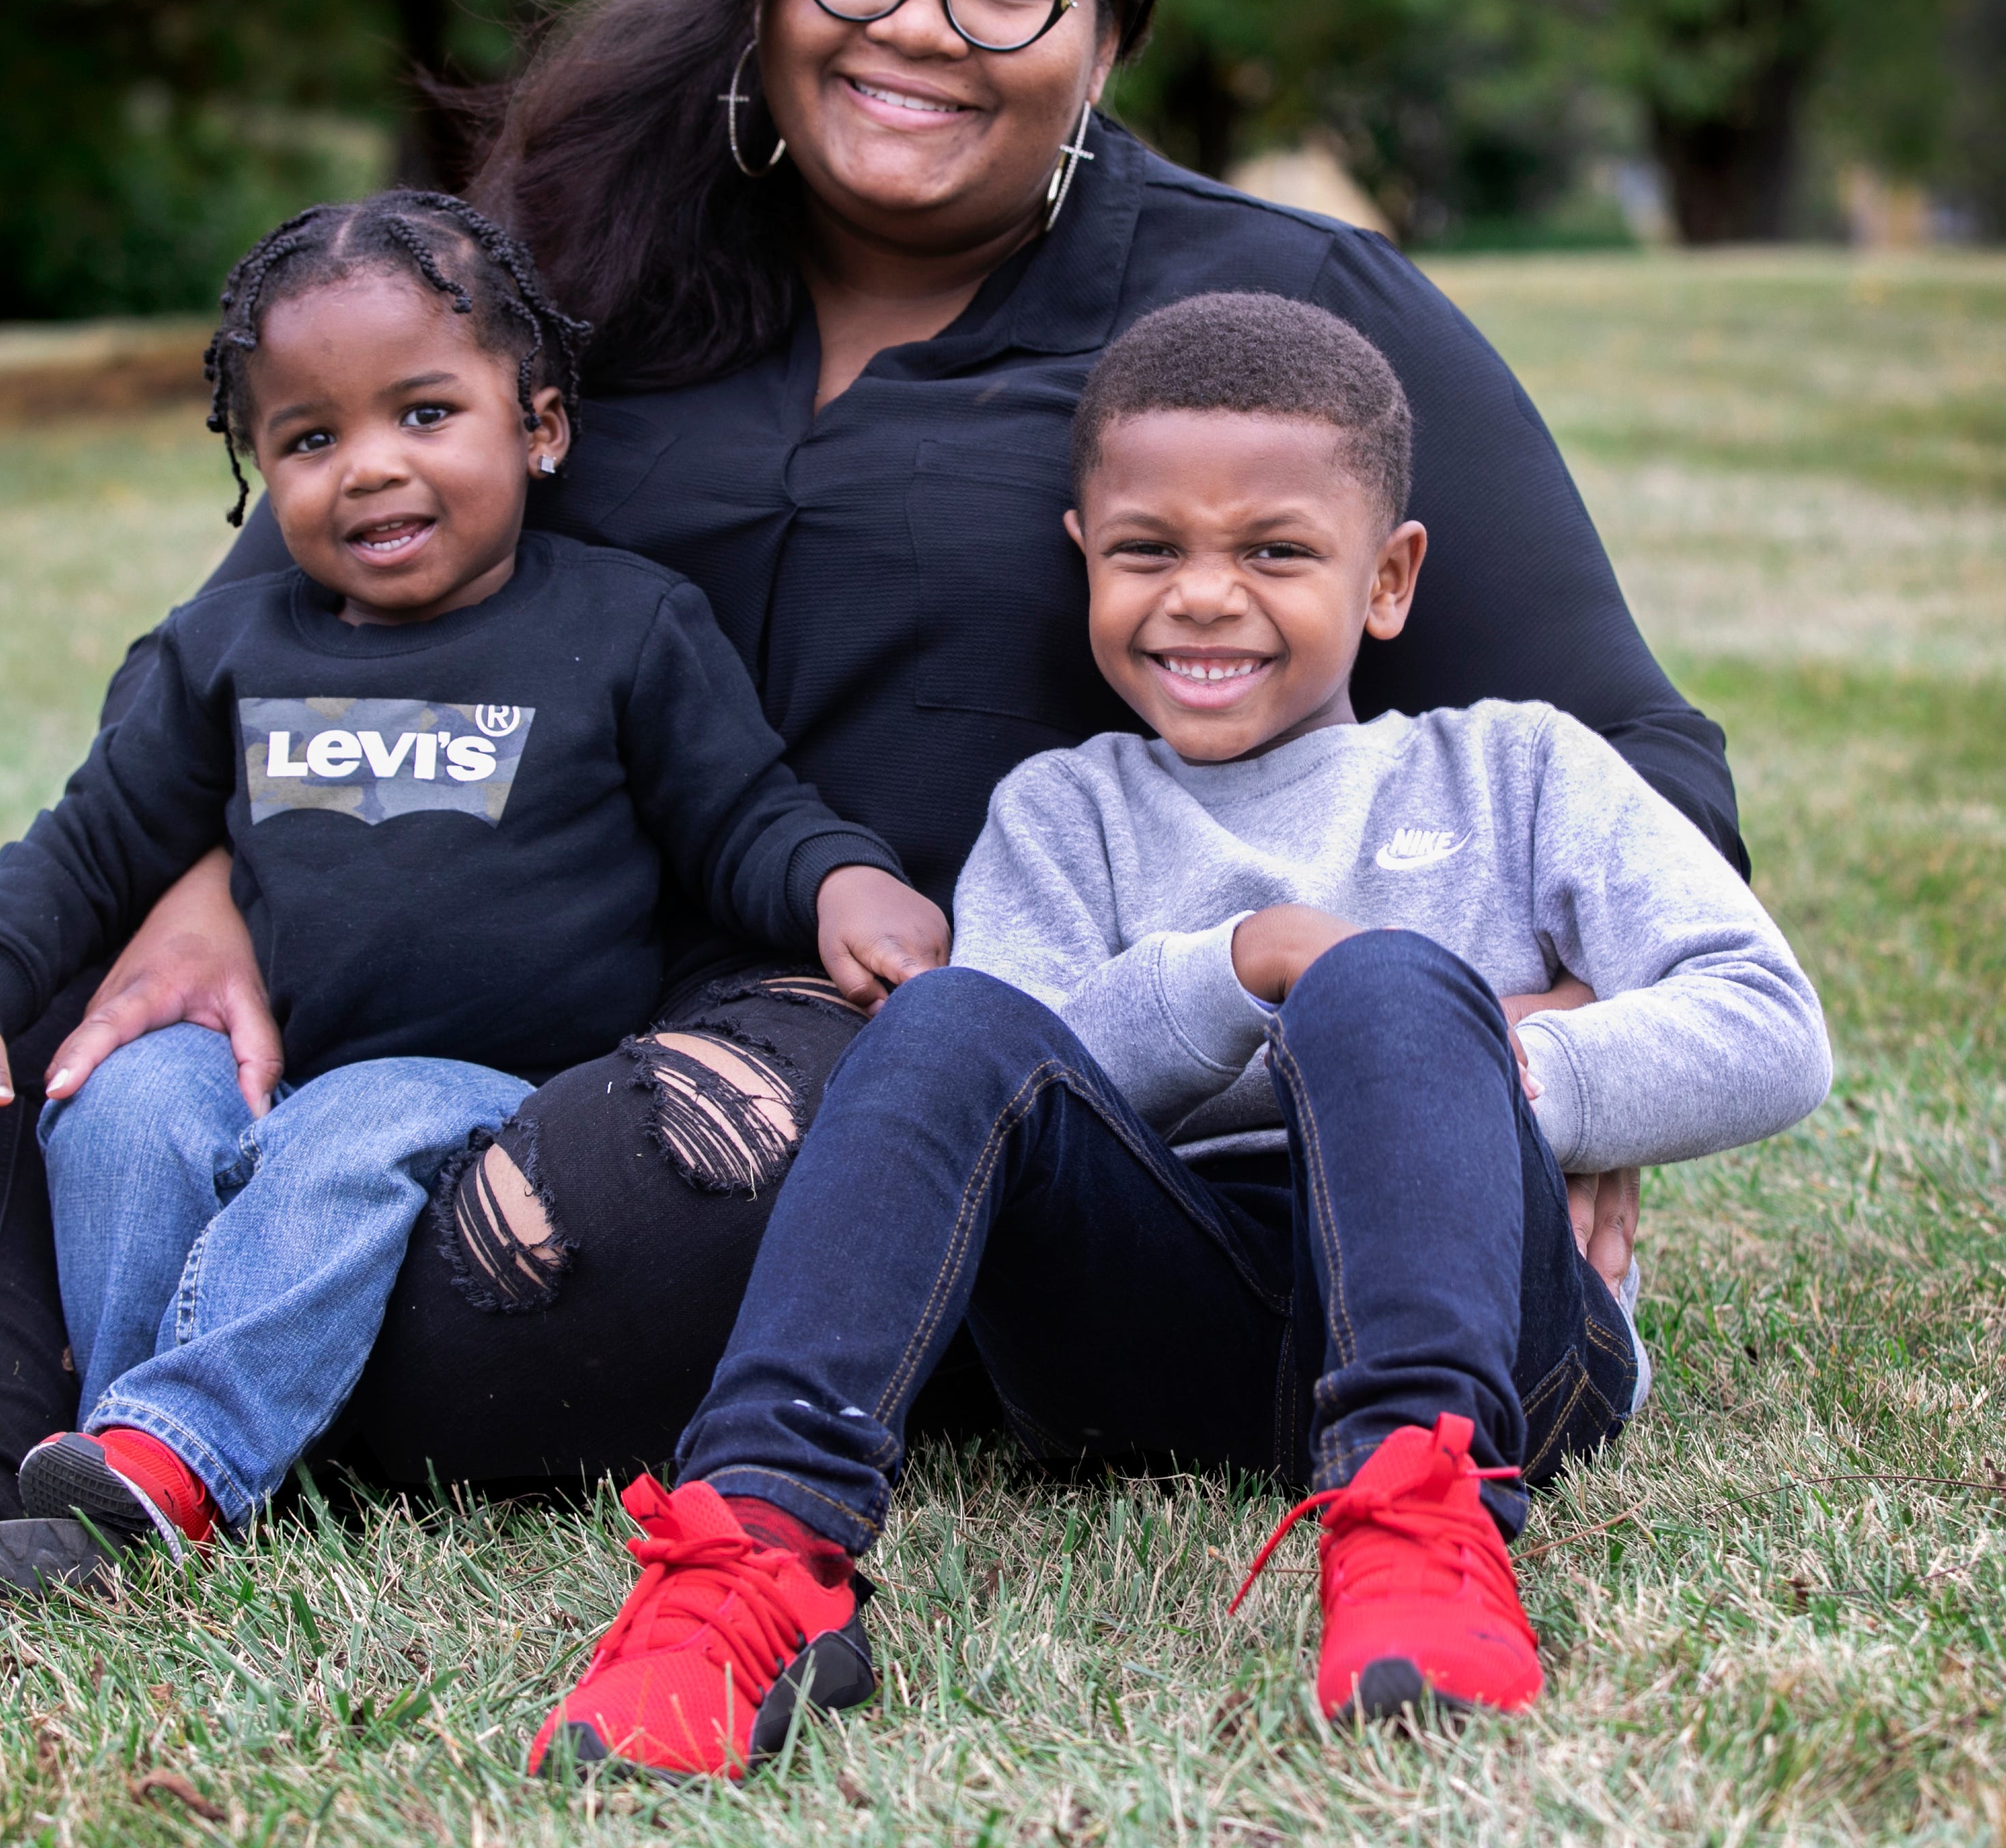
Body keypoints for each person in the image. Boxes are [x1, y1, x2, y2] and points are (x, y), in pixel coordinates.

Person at [0, 0, 1748, 1625]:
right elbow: (283, 616)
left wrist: (1508, 1061)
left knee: (668, 1188)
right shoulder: (581, 265)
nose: (918, 29)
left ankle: (18, 1365)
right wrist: (226, 861)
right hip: (451, 951)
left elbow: (1626, 744)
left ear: (1108, 31)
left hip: (847, 1039)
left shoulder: (1273, 321)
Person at [530, 294, 1832, 1778]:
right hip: (1153, 1331)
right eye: (1151, 551)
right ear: (1087, 558)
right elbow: (1022, 1084)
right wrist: (1238, 968)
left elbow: (1770, 1022)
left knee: (1387, 984)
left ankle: (1421, 1519)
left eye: (1276, 552)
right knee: (955, 1014)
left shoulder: (1517, 767)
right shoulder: (1061, 813)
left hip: (1497, 1345)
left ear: (1389, 578)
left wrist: (1479, 1075)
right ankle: (763, 1550)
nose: (1205, 597)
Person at [0, 191, 941, 1550]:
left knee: (347, 1140)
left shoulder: (623, 624)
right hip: (270, 1058)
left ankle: (182, 1460)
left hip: (487, 1082)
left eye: (425, 414)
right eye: (310, 438)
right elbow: (88, 845)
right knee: (122, 1101)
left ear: (541, 426)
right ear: (259, 471)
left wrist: (839, 884)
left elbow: (745, 815)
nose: (370, 468)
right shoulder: (227, 651)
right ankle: (120, 1452)